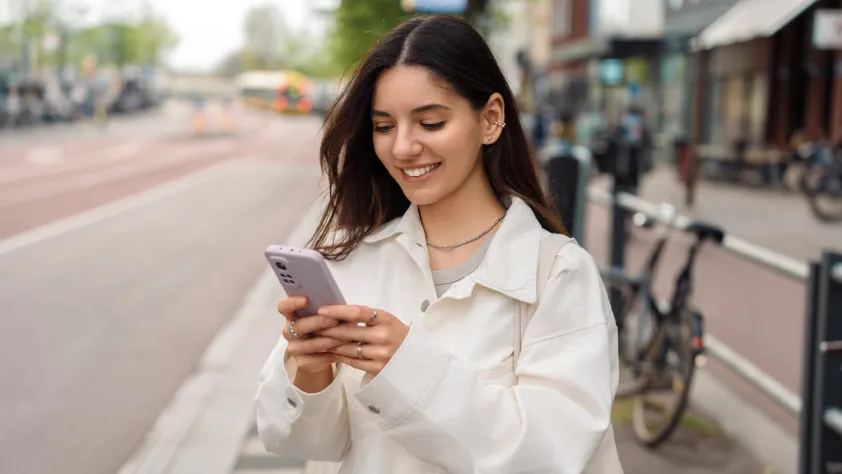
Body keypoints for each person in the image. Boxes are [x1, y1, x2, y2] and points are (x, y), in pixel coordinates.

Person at [255, 15, 621, 474]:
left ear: (490, 119)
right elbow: (298, 439)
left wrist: (406, 366)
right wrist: (310, 371)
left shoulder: (559, 275)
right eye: (384, 127)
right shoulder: (354, 261)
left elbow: (552, 456)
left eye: (429, 122)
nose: (403, 147)